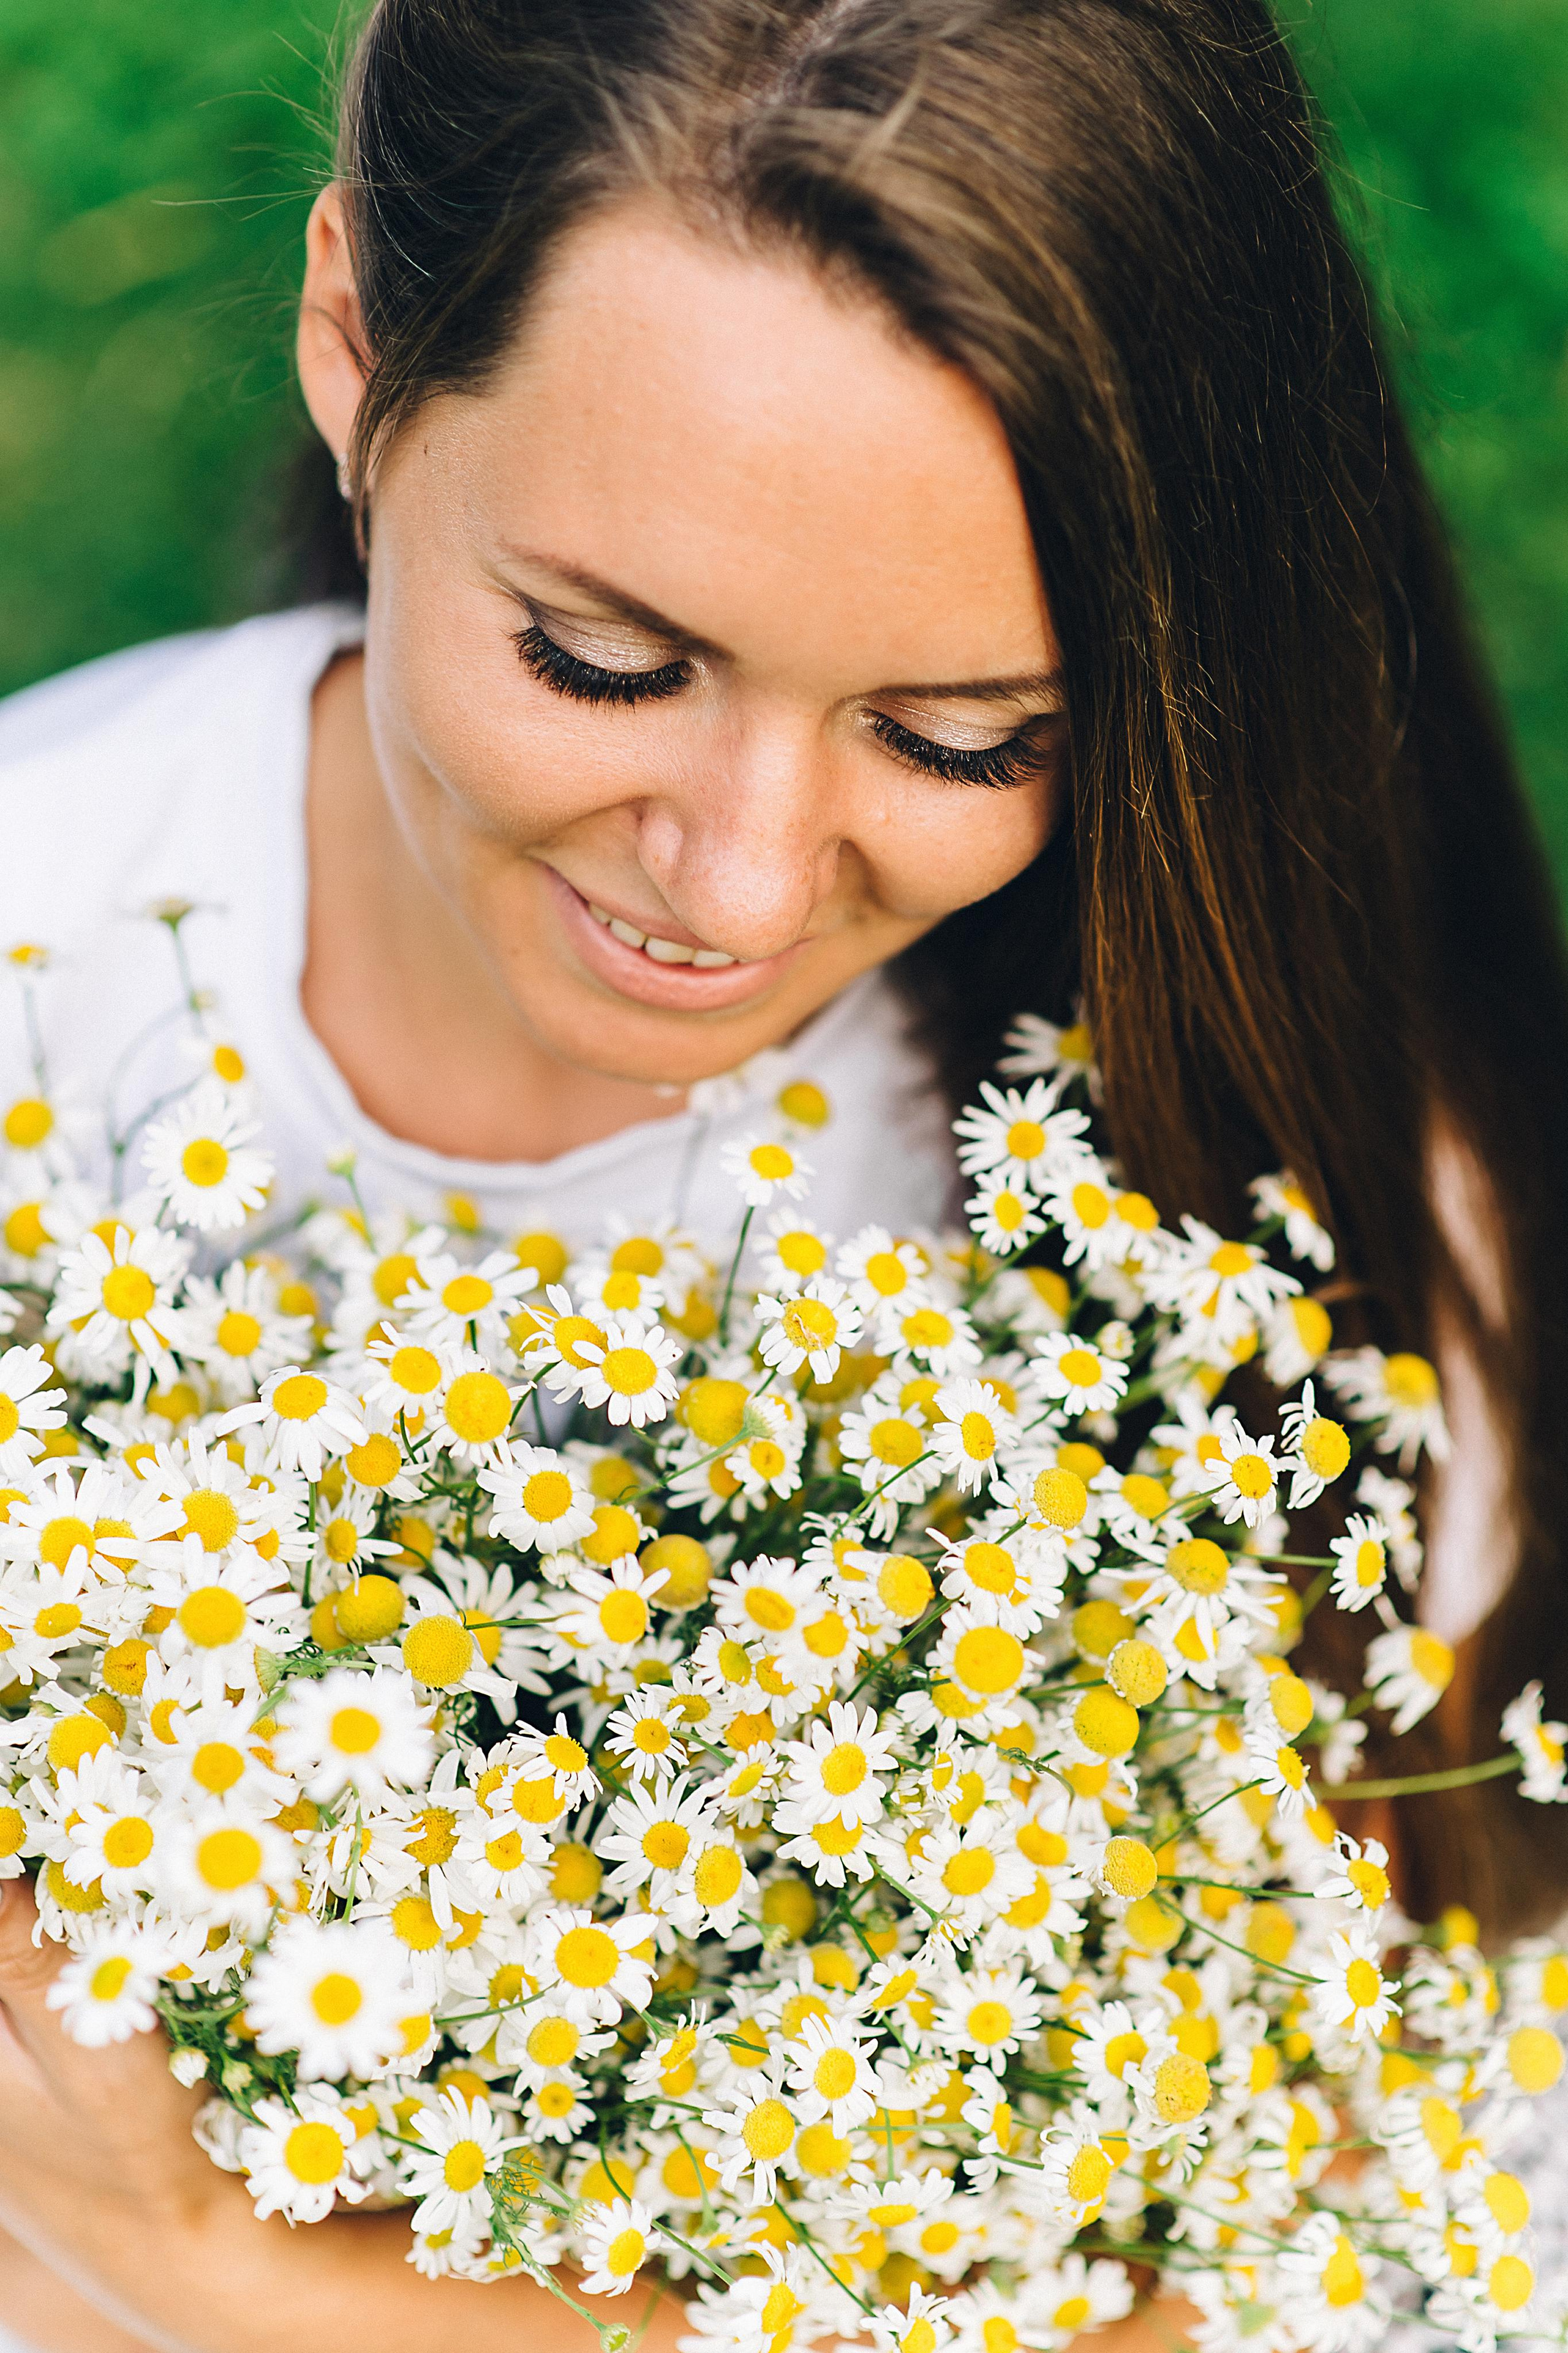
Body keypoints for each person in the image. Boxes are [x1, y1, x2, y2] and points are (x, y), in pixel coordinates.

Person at [2, 1, 1567, 2345]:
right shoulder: (55, 953)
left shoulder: (1263, 1179)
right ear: (353, 344)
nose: (731, 892)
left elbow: (1378, 2233)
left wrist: (222, 2276)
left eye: (964, 736)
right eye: (605, 659)